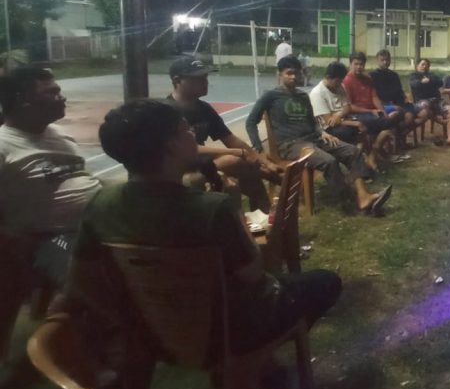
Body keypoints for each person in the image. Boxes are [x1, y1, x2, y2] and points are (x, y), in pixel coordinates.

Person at [65, 99, 341, 355]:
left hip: (153, 334)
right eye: (186, 130)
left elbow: (81, 280)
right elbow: (253, 272)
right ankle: (260, 360)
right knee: (326, 282)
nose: (194, 139)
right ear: (171, 146)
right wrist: (235, 210)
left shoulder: (100, 204)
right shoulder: (210, 208)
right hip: (226, 331)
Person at [0, 67, 102, 369]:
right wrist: (11, 238)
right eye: (51, 92)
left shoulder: (57, 135)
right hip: (51, 236)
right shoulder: (4, 145)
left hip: (95, 224)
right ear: (23, 100)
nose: (62, 97)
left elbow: (80, 179)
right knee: (88, 274)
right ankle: (79, 356)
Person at [245, 56, 392, 215]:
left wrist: (322, 132)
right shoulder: (270, 96)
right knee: (329, 161)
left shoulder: (303, 96)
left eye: (296, 73)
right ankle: (350, 201)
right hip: (290, 145)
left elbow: (312, 121)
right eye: (289, 73)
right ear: (280, 74)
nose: (294, 77)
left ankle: (363, 196)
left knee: (353, 151)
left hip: (313, 138)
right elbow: (250, 122)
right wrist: (258, 149)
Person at [165, 56, 281, 213]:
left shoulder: (203, 108)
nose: (205, 82)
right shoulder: (167, 111)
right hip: (178, 170)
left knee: (251, 163)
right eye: (198, 79)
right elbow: (189, 148)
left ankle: (263, 210)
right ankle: (268, 204)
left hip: (201, 164)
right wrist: (237, 152)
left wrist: (262, 160)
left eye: (205, 77)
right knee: (234, 160)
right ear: (177, 80)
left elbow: (230, 138)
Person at [343, 52, 402, 146]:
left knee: (393, 116)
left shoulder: (367, 79)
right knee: (386, 123)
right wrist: (371, 111)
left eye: (361, 64)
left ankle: (379, 147)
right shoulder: (346, 81)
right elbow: (350, 107)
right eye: (356, 64)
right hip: (358, 114)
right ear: (350, 64)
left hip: (372, 111)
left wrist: (382, 111)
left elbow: (374, 97)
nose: (359, 67)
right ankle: (375, 149)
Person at [371, 49, 416, 135]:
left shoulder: (394, 75)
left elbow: (399, 91)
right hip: (383, 104)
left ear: (390, 60)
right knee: (396, 115)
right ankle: (393, 136)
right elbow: (374, 95)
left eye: (387, 60)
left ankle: (398, 136)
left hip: (398, 102)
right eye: (382, 60)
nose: (385, 62)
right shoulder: (373, 75)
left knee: (409, 117)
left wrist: (404, 98)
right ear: (377, 60)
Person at [409, 58, 447, 141]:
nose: (424, 66)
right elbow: (414, 84)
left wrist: (429, 81)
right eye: (422, 64)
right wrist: (422, 82)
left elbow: (440, 82)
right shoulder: (414, 76)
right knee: (426, 106)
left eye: (426, 65)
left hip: (435, 101)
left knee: (449, 109)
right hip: (421, 101)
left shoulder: (431, 75)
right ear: (417, 66)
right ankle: (439, 120)